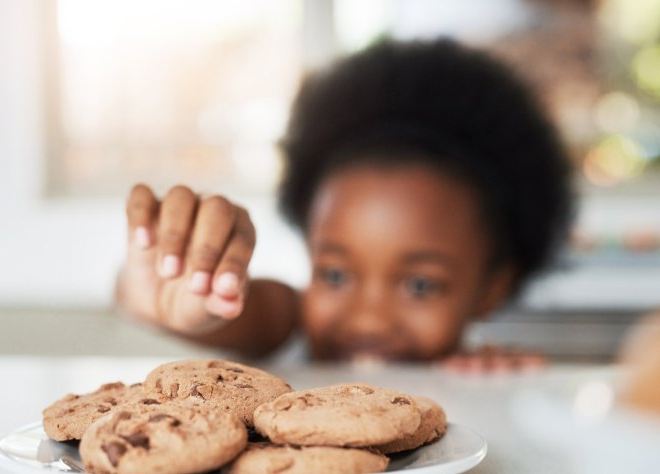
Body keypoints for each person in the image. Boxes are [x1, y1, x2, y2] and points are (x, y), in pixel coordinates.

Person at [116, 38, 574, 368]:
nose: (368, 320)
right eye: (334, 275)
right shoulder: (288, 320)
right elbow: (231, 312)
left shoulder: (479, 374)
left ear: (493, 288)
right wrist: (167, 291)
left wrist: (498, 391)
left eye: (420, 285)